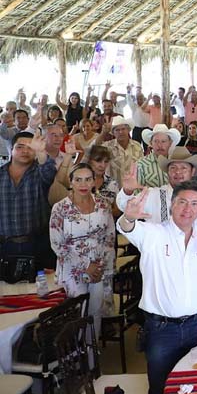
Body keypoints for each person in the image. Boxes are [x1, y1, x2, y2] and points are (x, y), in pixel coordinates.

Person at [117, 182, 197, 394]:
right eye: (182, 202)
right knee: (159, 388)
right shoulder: (153, 233)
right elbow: (127, 228)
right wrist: (128, 217)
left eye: (194, 203)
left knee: (195, 386)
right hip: (161, 330)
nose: (188, 209)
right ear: (172, 204)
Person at [49, 163, 115, 337]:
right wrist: (85, 266)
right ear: (70, 182)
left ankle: (92, 353)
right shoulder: (60, 208)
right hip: (72, 269)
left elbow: (109, 237)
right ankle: (75, 354)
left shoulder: (103, 204)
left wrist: (100, 266)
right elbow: (57, 244)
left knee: (95, 315)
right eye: (78, 180)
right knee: (76, 316)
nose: (83, 184)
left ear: (94, 181)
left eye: (87, 179)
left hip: (98, 268)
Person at [116, 147, 197, 233]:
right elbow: (124, 206)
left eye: (183, 168)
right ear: (167, 172)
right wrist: (127, 191)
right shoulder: (153, 195)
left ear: (193, 171)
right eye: (173, 168)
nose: (178, 172)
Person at [0, 132, 55, 267]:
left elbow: (49, 172)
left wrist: (41, 152)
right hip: (4, 245)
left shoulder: (40, 172)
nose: (25, 151)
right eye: (20, 147)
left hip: (38, 243)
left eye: (30, 147)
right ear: (11, 149)